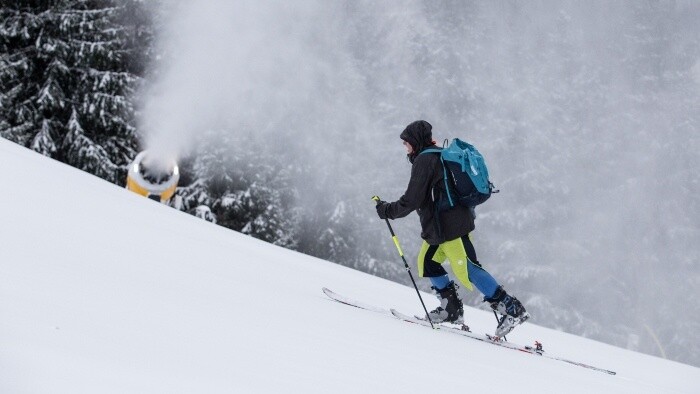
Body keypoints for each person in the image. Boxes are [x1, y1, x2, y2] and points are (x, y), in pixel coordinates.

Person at [375, 120, 530, 337]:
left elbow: (412, 199)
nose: (405, 147)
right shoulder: (436, 155)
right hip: (442, 225)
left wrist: (387, 210)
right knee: (427, 263)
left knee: (467, 267)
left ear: (415, 141)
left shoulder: (425, 160)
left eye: (406, 142)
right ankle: (451, 310)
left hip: (450, 226)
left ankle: (511, 309)